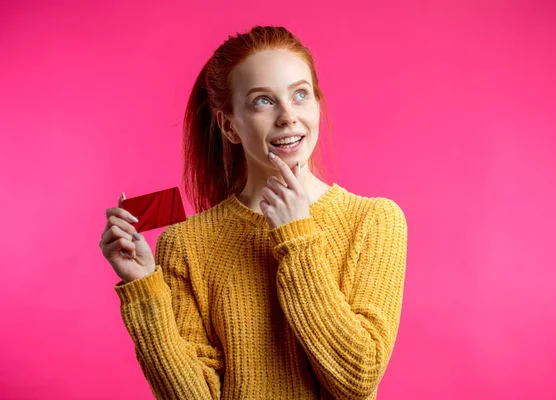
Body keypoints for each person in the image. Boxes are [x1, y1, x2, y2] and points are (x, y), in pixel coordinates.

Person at [99, 25, 408, 400]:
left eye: (300, 95)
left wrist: (296, 237)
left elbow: (356, 378)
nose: (287, 116)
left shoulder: (375, 220)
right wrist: (143, 286)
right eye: (263, 100)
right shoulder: (185, 243)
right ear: (229, 126)